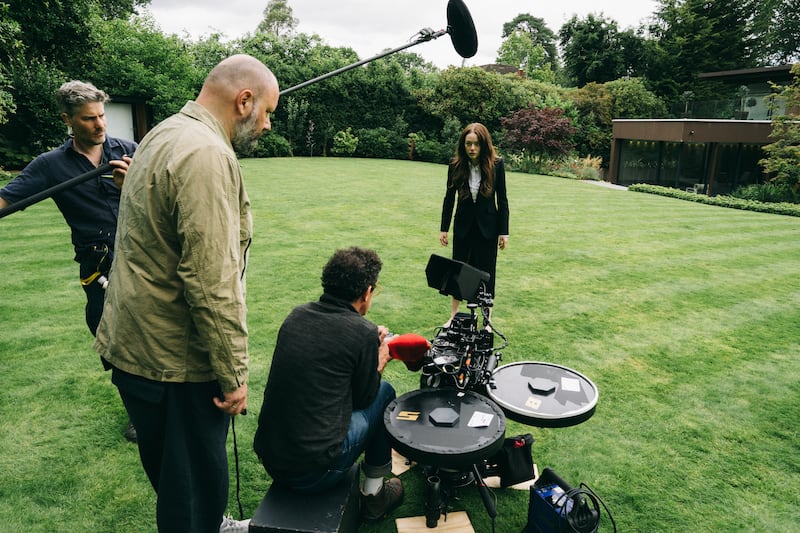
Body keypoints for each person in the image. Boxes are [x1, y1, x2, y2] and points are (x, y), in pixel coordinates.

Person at [93, 54, 279, 533]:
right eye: (267, 113)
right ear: (243, 101)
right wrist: (233, 373)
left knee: (181, 483)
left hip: (137, 348)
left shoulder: (165, 132)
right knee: (192, 494)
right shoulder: (206, 155)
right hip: (172, 363)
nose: (267, 126)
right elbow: (211, 281)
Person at [0, 80, 138, 441]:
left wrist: (133, 184)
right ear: (68, 120)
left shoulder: (130, 151)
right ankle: (138, 412)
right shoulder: (50, 166)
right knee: (111, 340)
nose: (100, 125)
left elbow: (168, 195)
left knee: (158, 333)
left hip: (142, 258)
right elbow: (5, 201)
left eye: (102, 116)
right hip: (98, 267)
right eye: (89, 118)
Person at [253, 246, 404, 523]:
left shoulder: (296, 316)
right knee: (384, 393)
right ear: (367, 292)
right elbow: (364, 398)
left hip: (273, 460)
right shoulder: (361, 333)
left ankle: (373, 493)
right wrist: (379, 357)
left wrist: (368, 340)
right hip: (316, 472)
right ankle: (374, 498)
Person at [439, 122, 509, 325]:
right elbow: (448, 198)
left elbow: (502, 200)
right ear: (463, 144)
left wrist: (504, 232)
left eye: (476, 144)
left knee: (488, 273)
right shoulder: (455, 165)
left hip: (489, 229)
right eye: (468, 144)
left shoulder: (497, 165)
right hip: (462, 227)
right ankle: (453, 317)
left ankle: (487, 323)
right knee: (459, 271)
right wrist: (444, 228)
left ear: (484, 145)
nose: (472, 149)